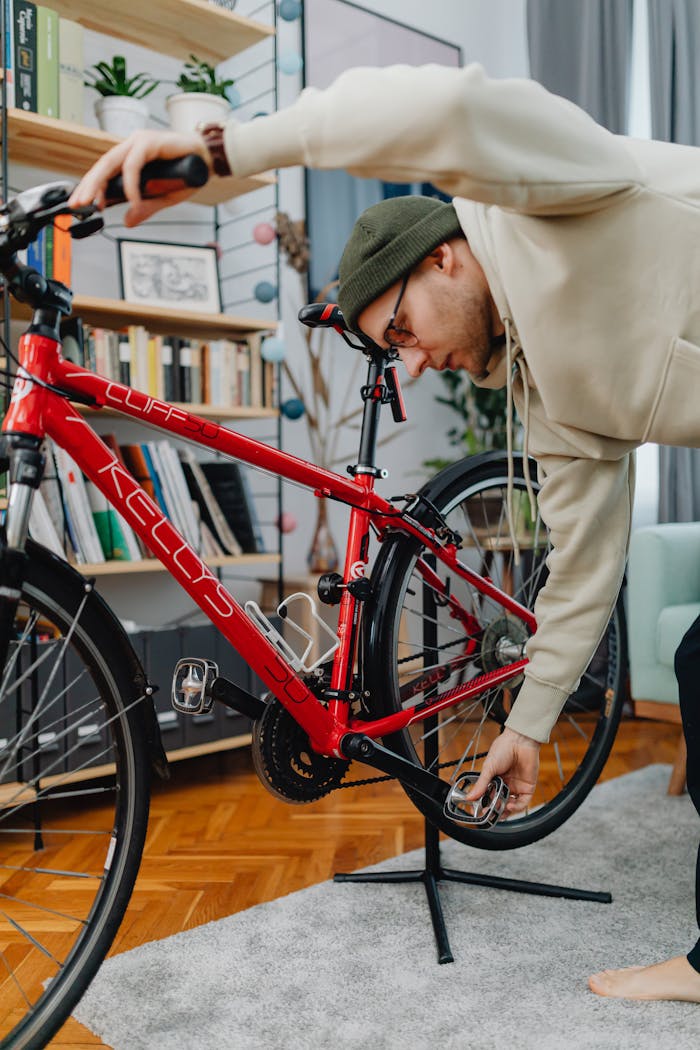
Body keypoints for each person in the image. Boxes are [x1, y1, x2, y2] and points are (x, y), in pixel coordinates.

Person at [70, 62, 700, 1002]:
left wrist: (220, 153)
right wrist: (527, 725)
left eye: (401, 328)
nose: (416, 362)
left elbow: (445, 109)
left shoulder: (550, 196)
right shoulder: (546, 397)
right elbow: (586, 565)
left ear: (443, 254)